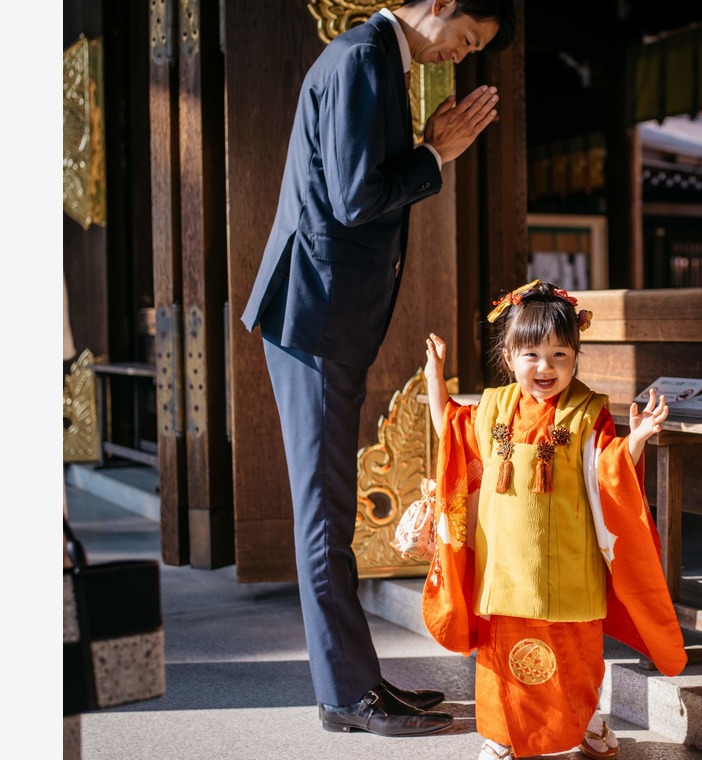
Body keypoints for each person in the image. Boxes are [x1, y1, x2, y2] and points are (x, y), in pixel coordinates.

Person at [238, 0, 516, 738]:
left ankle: (356, 682)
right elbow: (356, 197)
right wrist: (435, 156)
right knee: (325, 513)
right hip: (316, 314)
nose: (460, 55)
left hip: (322, 316)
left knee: (330, 508)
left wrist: (428, 150)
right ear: (440, 3)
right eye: (465, 38)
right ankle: (347, 695)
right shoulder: (364, 57)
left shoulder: (376, 61)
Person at [421, 281, 689, 760]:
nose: (545, 368)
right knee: (503, 662)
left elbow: (608, 470)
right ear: (509, 356)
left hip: (569, 567)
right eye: (532, 355)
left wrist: (636, 438)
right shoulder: (492, 409)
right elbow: (449, 429)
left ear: (576, 357)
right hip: (506, 570)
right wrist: (434, 375)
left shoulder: (587, 412)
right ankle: (502, 735)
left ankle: (585, 722)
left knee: (575, 657)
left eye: (559, 355)